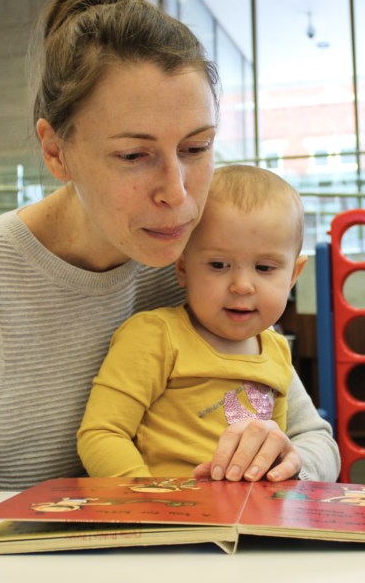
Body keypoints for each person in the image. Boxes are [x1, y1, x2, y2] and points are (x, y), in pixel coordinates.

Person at [0, 0, 339, 497]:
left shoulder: (213, 255)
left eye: (196, 147)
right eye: (135, 156)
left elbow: (315, 439)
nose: (177, 194)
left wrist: (285, 458)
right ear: (56, 152)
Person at [78, 164, 313, 481]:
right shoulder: (155, 336)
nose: (242, 285)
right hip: (171, 521)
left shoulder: (277, 351)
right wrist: (147, 498)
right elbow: (101, 433)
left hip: (249, 519)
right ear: (183, 267)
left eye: (265, 267)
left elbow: (276, 449)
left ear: (293, 276)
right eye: (218, 264)